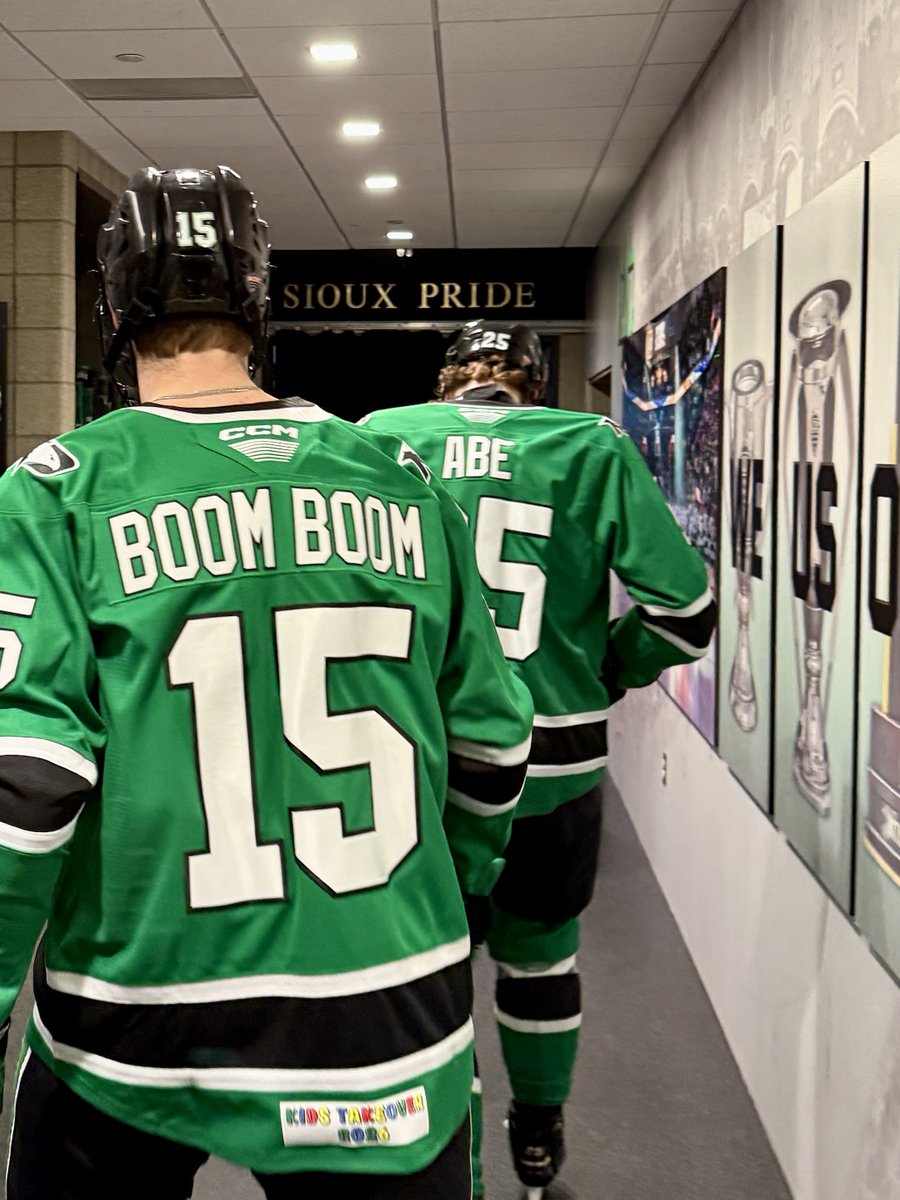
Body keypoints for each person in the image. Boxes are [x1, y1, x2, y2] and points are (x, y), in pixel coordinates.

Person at [0, 170, 534, 1200]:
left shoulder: (57, 490)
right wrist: (444, 892)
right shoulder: (403, 481)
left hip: (139, 1013)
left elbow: (24, 788)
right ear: (256, 297)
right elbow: (493, 745)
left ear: (114, 304)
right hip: (386, 1004)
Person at [361, 320, 716, 1198]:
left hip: (426, 768)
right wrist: (608, 669)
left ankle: (463, 1167)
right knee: (542, 959)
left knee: (432, 978)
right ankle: (539, 1132)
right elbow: (686, 612)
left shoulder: (382, 437)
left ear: (446, 382)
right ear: (534, 383)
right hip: (556, 764)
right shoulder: (590, 444)